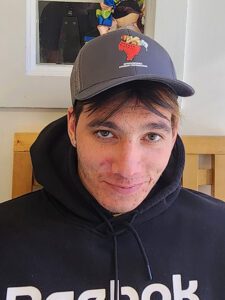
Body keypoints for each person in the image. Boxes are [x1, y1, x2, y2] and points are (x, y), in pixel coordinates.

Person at [1, 28, 225, 300]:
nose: (127, 169)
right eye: (105, 133)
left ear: (174, 130)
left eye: (152, 136)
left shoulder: (217, 233)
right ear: (73, 126)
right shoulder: (8, 238)